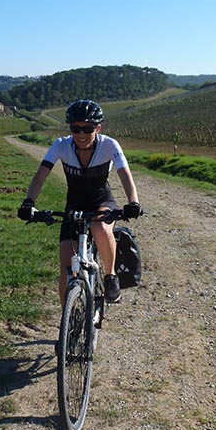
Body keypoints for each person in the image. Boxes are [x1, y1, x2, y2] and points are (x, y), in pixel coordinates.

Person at [17, 99, 141, 305]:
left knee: (100, 227)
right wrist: (29, 202)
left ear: (98, 128)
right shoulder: (61, 145)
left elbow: (125, 174)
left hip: (101, 201)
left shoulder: (109, 145)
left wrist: (133, 202)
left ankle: (110, 278)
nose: (81, 134)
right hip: (74, 206)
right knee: (66, 268)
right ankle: (67, 325)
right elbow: (40, 175)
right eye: (76, 129)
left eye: (88, 129)